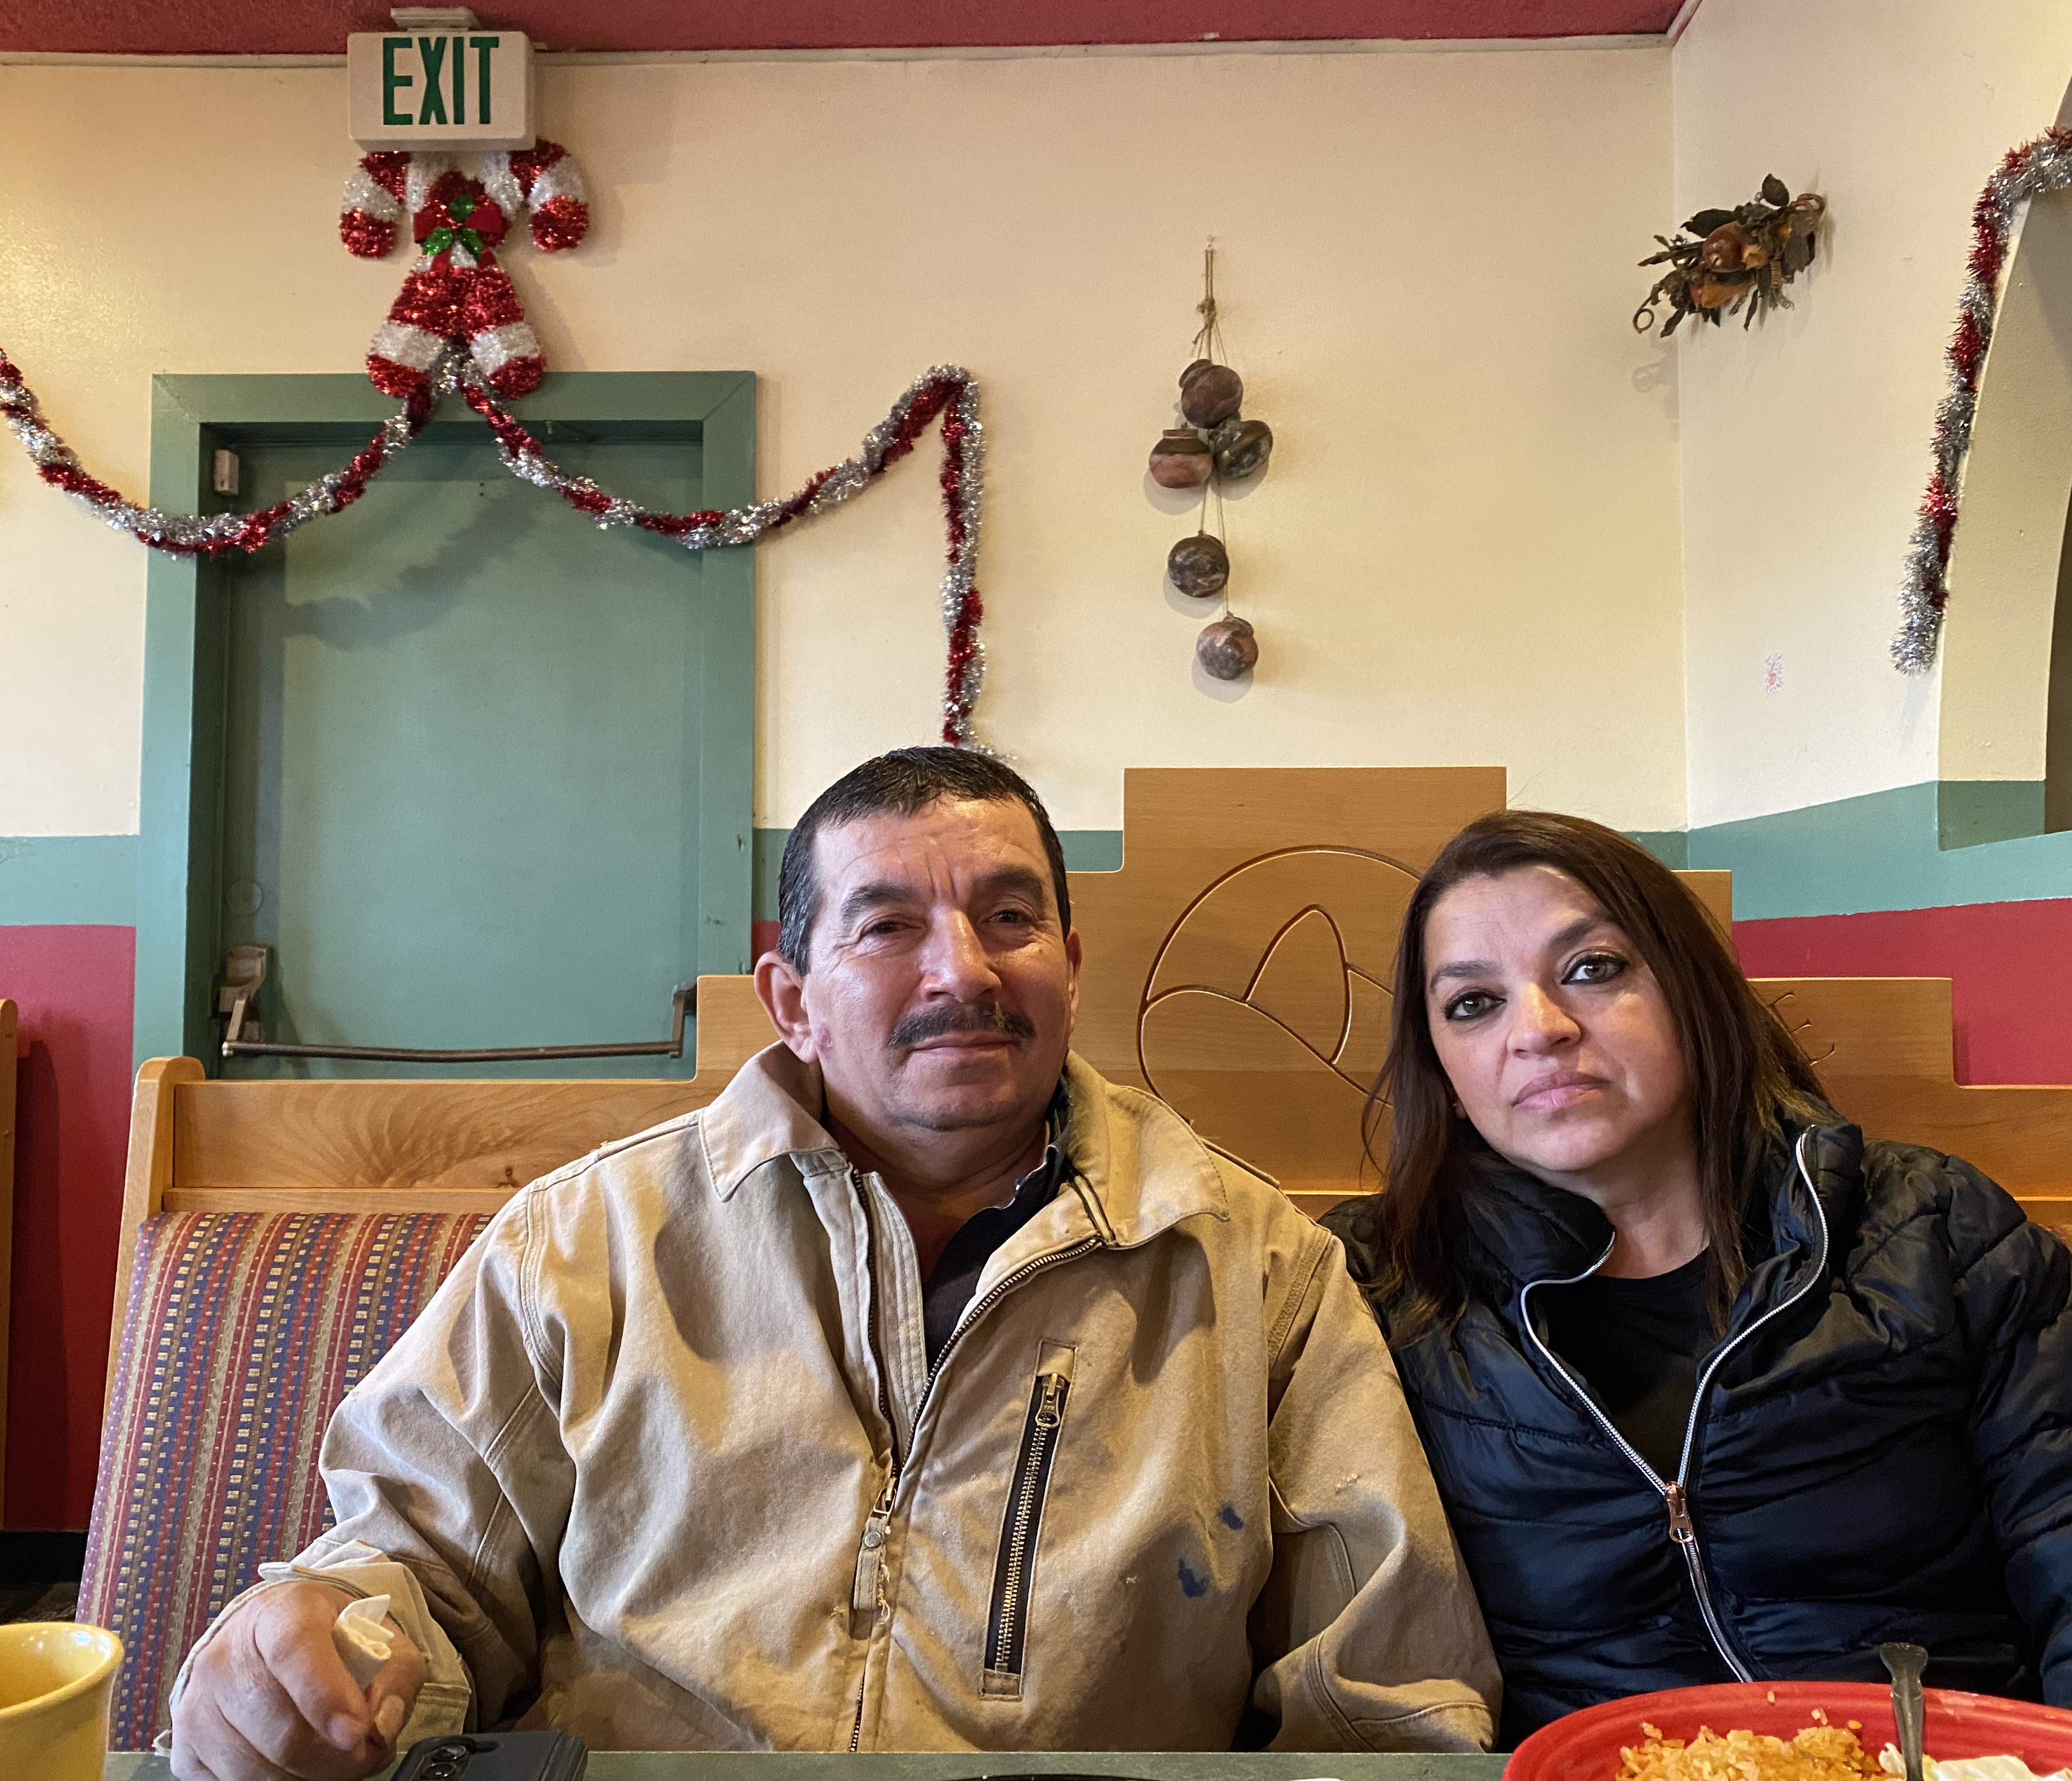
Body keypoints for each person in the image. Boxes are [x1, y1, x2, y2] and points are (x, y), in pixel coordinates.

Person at [167, 747, 1499, 1779]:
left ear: (1072, 971)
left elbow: (1383, 1695)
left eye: (1010, 918)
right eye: (887, 927)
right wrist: (326, 1642)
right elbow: (417, 1568)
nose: (963, 972)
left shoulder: (1256, 1262)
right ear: (792, 997)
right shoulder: (586, 1239)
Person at [1323, 810, 2072, 1752]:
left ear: (1693, 993)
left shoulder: (1931, 1227)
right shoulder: (1376, 1288)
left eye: (1592, 969)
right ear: (1444, 1071)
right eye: (1472, 1003)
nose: (1537, 1029)